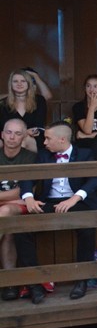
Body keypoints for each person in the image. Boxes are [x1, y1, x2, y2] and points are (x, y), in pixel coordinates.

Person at [15, 123, 97, 303]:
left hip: (76, 201)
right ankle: (34, 283)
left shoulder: (85, 154)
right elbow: (26, 178)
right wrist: (29, 197)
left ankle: (82, 280)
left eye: (48, 138)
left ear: (62, 139)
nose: (44, 142)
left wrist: (74, 199)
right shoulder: (44, 155)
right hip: (49, 202)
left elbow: (94, 180)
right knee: (21, 229)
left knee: (87, 227)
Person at [0, 118, 35, 301]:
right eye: (8, 132)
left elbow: (25, 191)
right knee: (8, 233)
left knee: (4, 213)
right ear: (2, 134)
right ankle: (10, 284)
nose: (12, 137)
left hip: (20, 205)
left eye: (18, 133)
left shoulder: (30, 157)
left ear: (24, 138)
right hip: (10, 205)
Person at [1, 69, 47, 152]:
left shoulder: (39, 100)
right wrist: (19, 133)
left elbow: (39, 124)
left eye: (23, 81)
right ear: (10, 84)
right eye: (15, 81)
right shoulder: (3, 104)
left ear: (28, 84)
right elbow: (2, 127)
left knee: (25, 141)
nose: (19, 84)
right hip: (9, 137)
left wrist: (24, 134)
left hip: (34, 136)